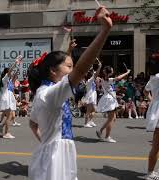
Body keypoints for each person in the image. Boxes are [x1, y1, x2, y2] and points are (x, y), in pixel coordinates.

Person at [28, 7, 112, 180]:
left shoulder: (44, 92)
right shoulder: (50, 94)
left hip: (57, 154)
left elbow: (32, 124)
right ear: (52, 70)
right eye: (68, 67)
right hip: (55, 160)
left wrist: (46, 142)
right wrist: (104, 31)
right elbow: (81, 69)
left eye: (72, 66)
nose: (72, 71)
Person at [96, 65, 131, 143]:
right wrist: (127, 72)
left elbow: (111, 88)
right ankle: (105, 135)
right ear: (109, 72)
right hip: (109, 99)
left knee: (113, 118)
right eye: (112, 70)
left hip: (110, 98)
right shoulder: (108, 79)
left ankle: (102, 132)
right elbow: (118, 78)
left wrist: (118, 91)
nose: (113, 70)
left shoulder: (105, 79)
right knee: (111, 119)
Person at [0, 56, 22, 139]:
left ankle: (1, 126)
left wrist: (18, 66)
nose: (11, 74)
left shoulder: (10, 81)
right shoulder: (5, 79)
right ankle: (6, 133)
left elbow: (15, 74)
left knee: (11, 115)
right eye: (9, 73)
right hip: (6, 97)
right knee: (9, 116)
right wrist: (15, 63)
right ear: (6, 73)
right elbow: (10, 72)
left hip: (9, 97)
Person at [143, 60, 159, 180]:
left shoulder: (153, 78)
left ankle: (151, 172)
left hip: (156, 110)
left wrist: (152, 100)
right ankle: (150, 173)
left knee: (156, 144)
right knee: (156, 145)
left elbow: (145, 91)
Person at [82, 59, 102, 128]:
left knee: (94, 110)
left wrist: (92, 65)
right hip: (90, 96)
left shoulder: (90, 80)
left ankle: (90, 121)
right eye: (92, 73)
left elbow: (94, 72)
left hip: (93, 95)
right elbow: (96, 74)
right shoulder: (89, 81)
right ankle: (85, 123)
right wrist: (99, 66)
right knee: (88, 110)